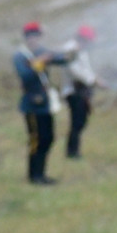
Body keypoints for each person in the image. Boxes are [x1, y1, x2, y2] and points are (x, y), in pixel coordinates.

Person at [13, 21, 74, 185]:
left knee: (48, 138)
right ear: (27, 38)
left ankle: (42, 173)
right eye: (32, 36)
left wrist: (68, 55)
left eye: (37, 36)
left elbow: (60, 58)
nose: (35, 40)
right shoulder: (21, 55)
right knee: (35, 140)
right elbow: (25, 76)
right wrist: (39, 63)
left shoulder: (41, 51)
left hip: (45, 103)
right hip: (31, 104)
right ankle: (34, 175)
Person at [60, 25, 105, 159]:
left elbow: (86, 69)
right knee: (77, 122)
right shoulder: (70, 49)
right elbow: (75, 72)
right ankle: (72, 152)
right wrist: (93, 80)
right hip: (74, 91)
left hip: (81, 91)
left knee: (81, 122)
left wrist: (95, 78)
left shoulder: (80, 49)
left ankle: (74, 151)